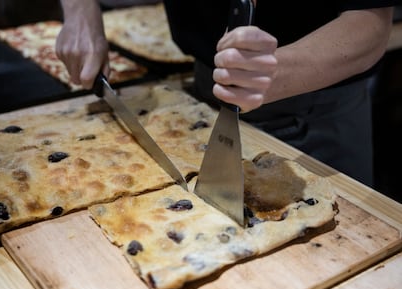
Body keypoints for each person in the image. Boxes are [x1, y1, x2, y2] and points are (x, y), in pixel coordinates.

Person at [55, 0, 398, 186]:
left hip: (315, 113)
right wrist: (80, 8)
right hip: (199, 96)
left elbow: (370, 25)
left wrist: (276, 71)